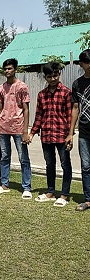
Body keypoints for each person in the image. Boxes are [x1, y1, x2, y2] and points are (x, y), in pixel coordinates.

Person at [29, 62, 72, 206]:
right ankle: (51, 191)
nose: (53, 79)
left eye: (55, 75)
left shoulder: (66, 92)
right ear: (45, 77)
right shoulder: (42, 95)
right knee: (50, 164)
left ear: (59, 74)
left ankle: (64, 194)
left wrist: (70, 135)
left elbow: (69, 116)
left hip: (62, 135)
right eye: (49, 76)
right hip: (46, 135)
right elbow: (39, 116)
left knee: (65, 164)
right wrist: (32, 132)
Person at [0, 58, 32, 199]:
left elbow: (26, 109)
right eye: (5, 69)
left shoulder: (22, 87)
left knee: (23, 158)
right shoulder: (0, 88)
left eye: (9, 68)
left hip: (18, 127)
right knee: (4, 157)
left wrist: (25, 131)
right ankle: (4, 184)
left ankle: (26, 187)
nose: (7, 71)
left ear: (15, 69)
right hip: (4, 128)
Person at [70, 49, 90, 211]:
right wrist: (71, 133)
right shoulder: (77, 83)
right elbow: (75, 108)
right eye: (87, 62)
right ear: (81, 64)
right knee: (86, 166)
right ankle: (88, 199)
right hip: (84, 132)